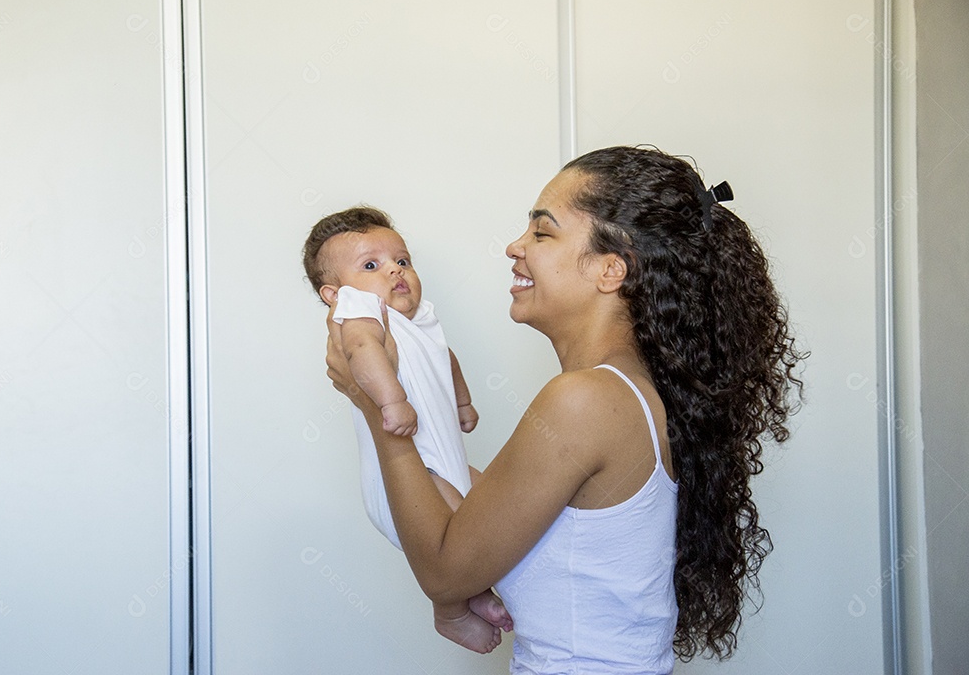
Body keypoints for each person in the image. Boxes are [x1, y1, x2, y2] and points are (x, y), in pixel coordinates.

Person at [325, 146, 806, 673]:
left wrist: (375, 407)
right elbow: (495, 512)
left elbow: (444, 571)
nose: (515, 246)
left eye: (542, 232)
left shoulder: (585, 400)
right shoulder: (627, 391)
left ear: (609, 269)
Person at [302, 206, 513, 653]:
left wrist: (463, 401)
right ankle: (455, 608)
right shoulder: (359, 312)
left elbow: (446, 357)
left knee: (491, 501)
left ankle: (470, 592)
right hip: (410, 476)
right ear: (334, 293)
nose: (395, 271)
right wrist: (392, 401)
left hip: (444, 461)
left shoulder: (418, 320)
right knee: (463, 533)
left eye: (402, 260)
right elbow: (361, 352)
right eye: (371, 265)